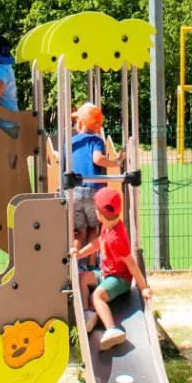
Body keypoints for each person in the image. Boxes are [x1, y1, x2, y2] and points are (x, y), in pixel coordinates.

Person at [71, 189, 153, 351]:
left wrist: (143, 287)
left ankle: (112, 329)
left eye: (96, 208)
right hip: (105, 273)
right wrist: (80, 253)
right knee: (82, 278)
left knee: (97, 296)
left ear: (100, 213)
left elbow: (131, 264)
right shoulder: (107, 226)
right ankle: (89, 314)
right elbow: (98, 242)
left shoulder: (116, 239)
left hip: (119, 279)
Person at [67, 103, 123, 268]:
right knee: (93, 228)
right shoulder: (96, 140)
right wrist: (116, 162)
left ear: (80, 122)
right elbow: (98, 159)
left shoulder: (70, 143)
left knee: (78, 231)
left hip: (74, 190)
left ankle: (76, 265)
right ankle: (92, 263)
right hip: (92, 190)